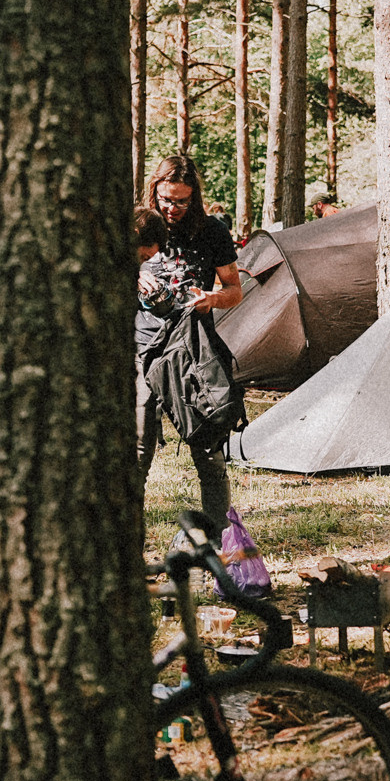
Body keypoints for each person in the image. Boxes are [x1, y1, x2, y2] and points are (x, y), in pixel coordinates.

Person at [135, 155, 240, 522]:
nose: (172, 208)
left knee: (208, 450)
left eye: (181, 201)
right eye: (166, 199)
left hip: (195, 351)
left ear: (194, 197)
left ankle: (219, 537)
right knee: (137, 449)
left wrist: (212, 299)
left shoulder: (212, 231)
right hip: (145, 351)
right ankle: (125, 538)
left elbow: (234, 290)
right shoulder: (140, 225)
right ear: (155, 191)